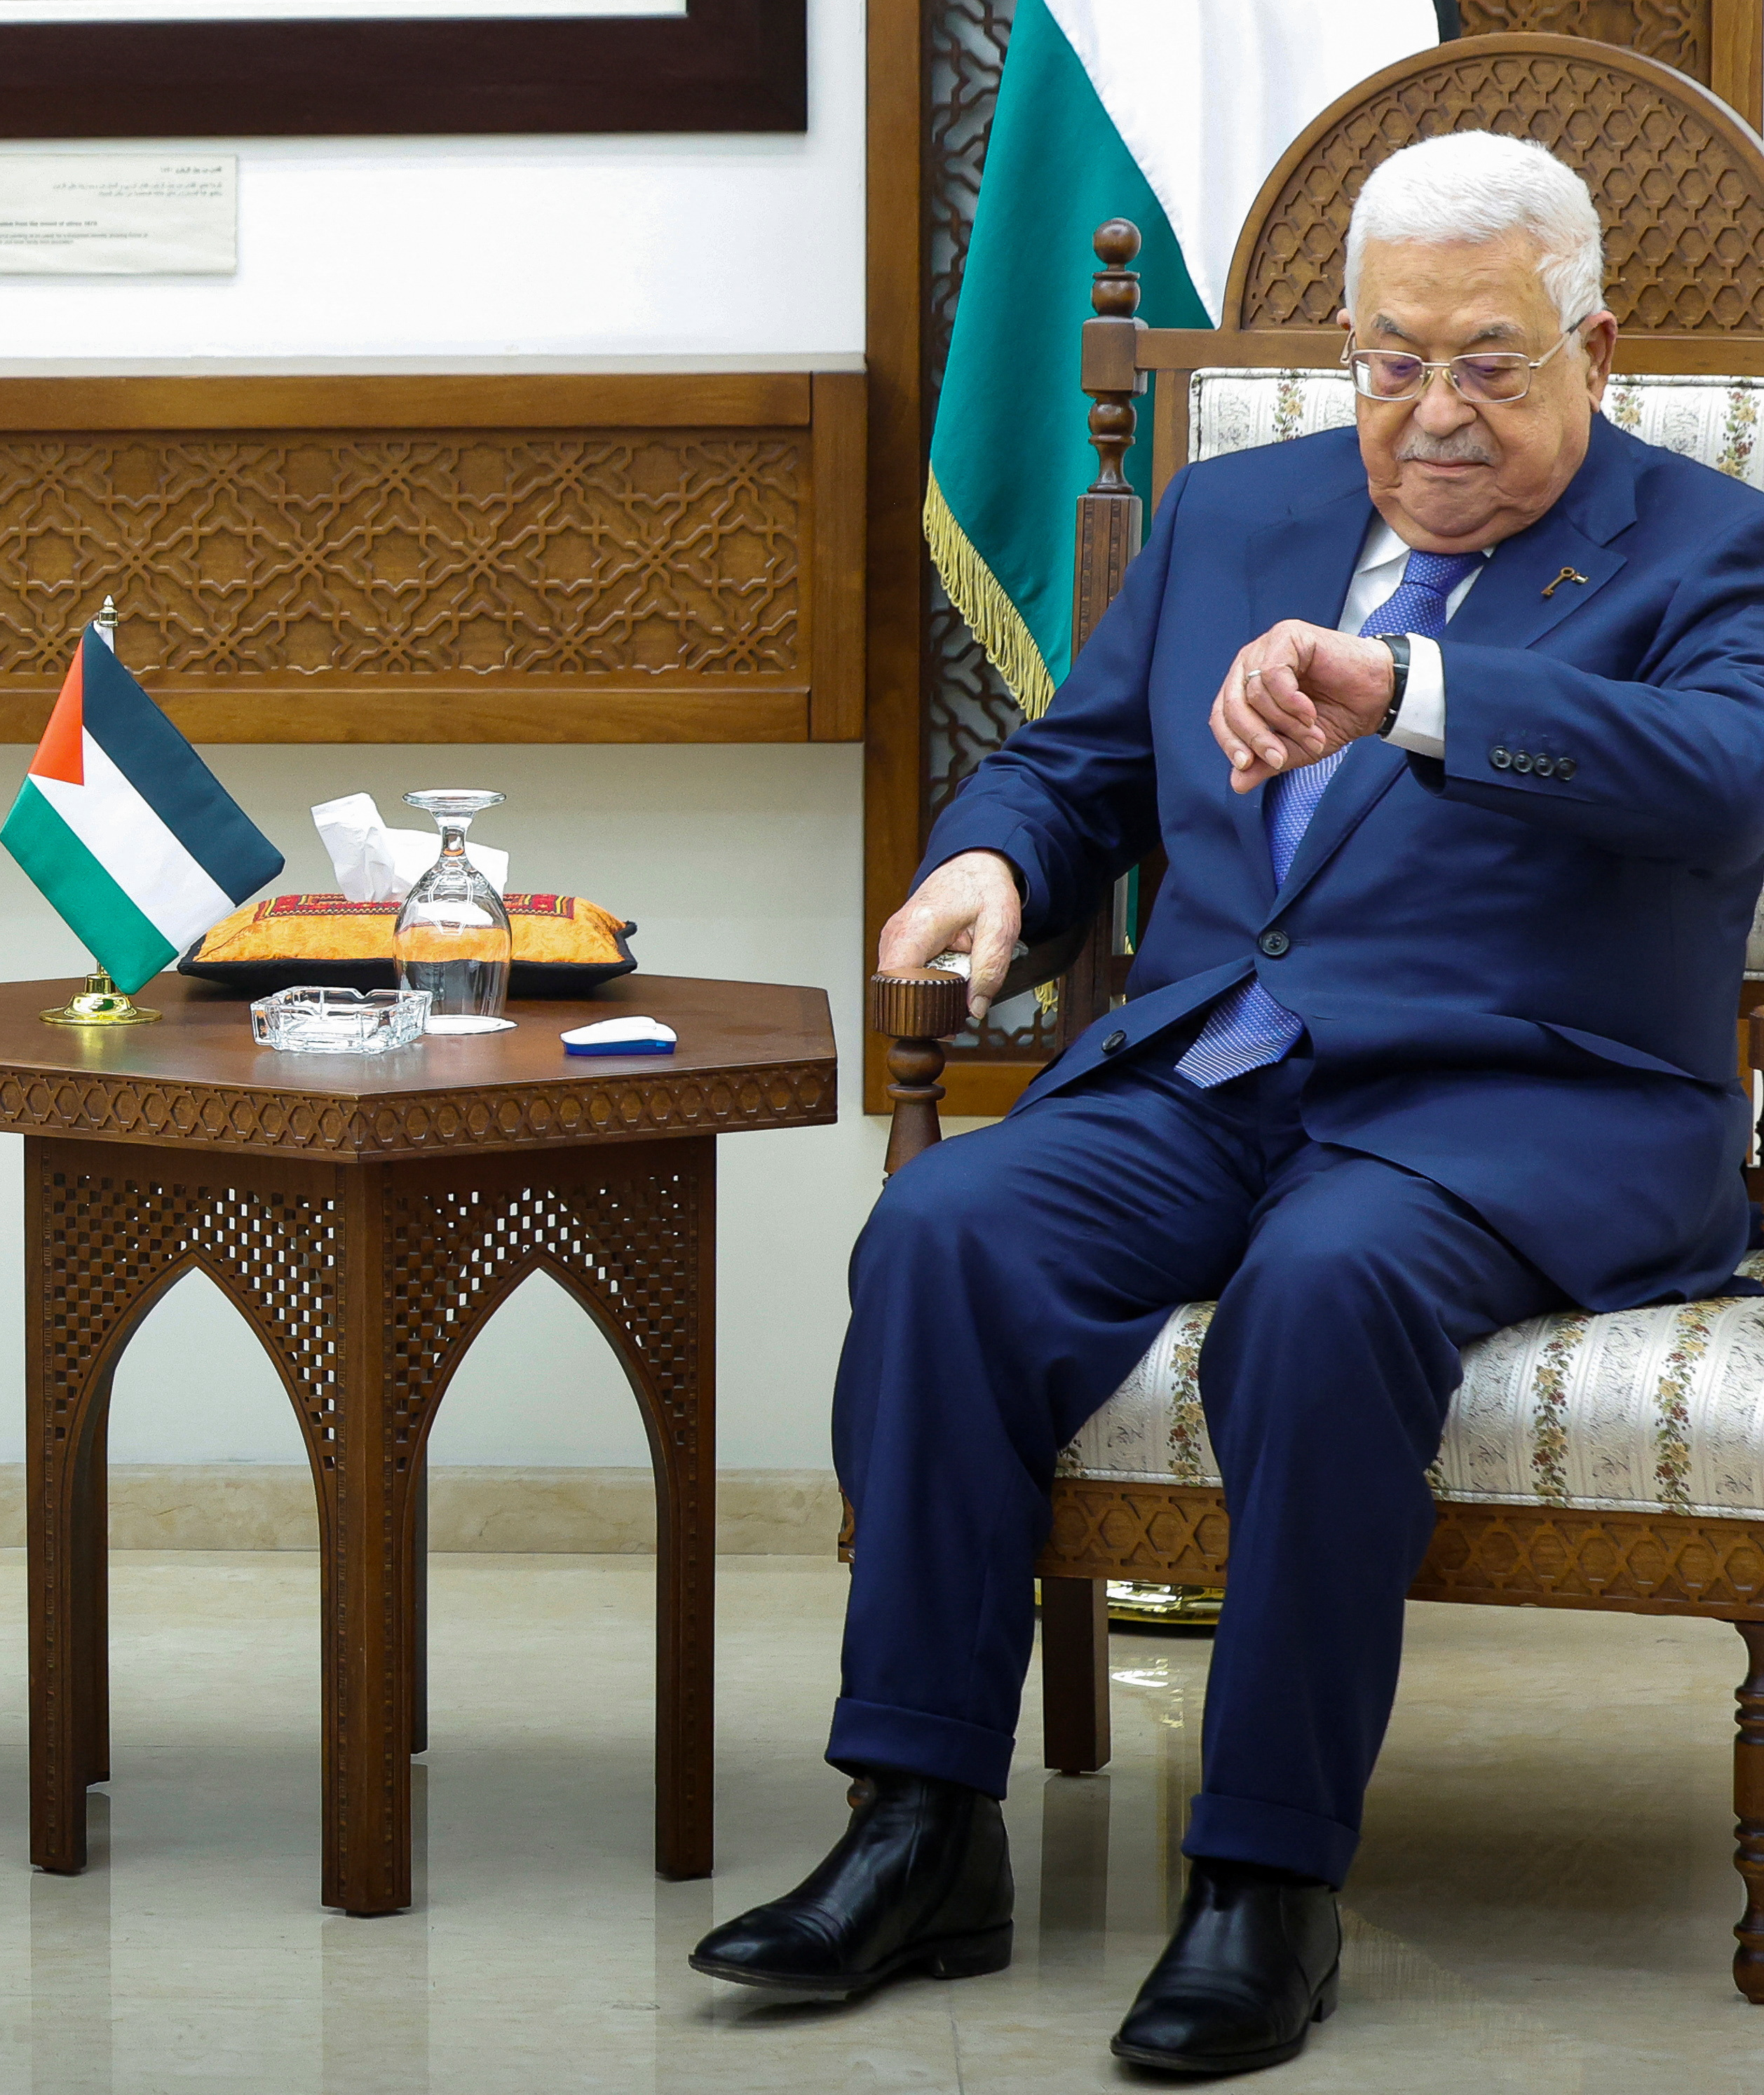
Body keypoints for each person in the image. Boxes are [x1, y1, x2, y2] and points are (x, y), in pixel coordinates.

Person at [690, 133, 1764, 2074]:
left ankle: (1264, 1879)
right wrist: (995, 867)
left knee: (1326, 1285)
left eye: (1490, 363)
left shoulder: (1710, 539)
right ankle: (917, 1823)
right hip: (1216, 1063)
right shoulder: (1229, 512)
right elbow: (1075, 760)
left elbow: (1715, 775)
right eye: (1388, 359)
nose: (1430, 412)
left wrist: (1405, 684)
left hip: (1525, 1098)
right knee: (942, 1230)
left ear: (1589, 345)